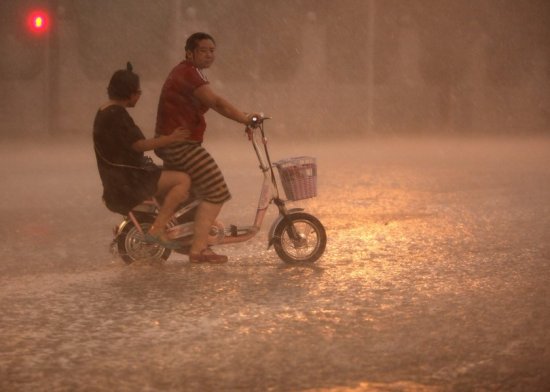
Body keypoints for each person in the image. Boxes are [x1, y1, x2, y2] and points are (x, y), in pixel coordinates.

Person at [155, 32, 260, 263]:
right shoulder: (189, 75)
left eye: (212, 50)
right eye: (203, 50)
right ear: (189, 53)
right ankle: (199, 249)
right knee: (216, 190)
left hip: (175, 144)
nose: (209, 54)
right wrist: (245, 118)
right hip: (182, 146)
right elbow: (216, 103)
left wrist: (243, 118)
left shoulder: (187, 72)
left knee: (194, 192)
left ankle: (189, 237)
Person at [93, 62, 191, 249]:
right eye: (138, 92)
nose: (139, 96)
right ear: (128, 93)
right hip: (130, 181)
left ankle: (166, 222)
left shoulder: (104, 111)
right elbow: (139, 145)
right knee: (182, 180)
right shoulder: (117, 115)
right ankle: (157, 230)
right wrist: (171, 138)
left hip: (118, 179)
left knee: (170, 175)